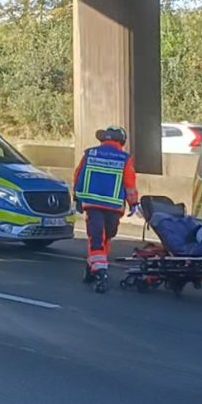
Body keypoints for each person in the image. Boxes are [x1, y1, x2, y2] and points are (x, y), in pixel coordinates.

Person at [73, 126, 140, 294]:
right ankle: (100, 272)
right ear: (122, 140)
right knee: (105, 238)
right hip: (113, 207)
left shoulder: (90, 154)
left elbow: (78, 175)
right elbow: (129, 184)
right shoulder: (124, 158)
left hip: (92, 205)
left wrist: (77, 197)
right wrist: (133, 203)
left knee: (96, 238)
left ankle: (93, 266)